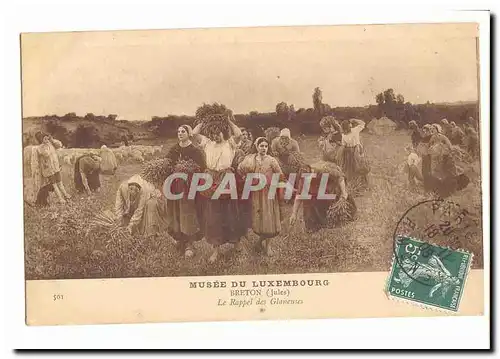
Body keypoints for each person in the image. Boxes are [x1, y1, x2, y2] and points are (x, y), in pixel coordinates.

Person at [192, 116, 246, 263]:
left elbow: (239, 134)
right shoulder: (207, 144)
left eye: (218, 133)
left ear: (224, 133)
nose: (215, 136)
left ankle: (236, 243)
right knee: (213, 214)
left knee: (231, 211)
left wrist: (228, 121)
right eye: (213, 133)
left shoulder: (230, 144)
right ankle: (216, 250)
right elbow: (194, 134)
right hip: (211, 177)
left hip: (226, 177)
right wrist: (205, 121)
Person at [238, 137, 284, 256]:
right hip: (255, 193)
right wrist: (246, 178)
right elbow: (240, 169)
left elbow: (280, 174)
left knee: (269, 219)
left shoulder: (272, 160)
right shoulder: (250, 159)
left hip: (268, 193)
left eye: (266, 146)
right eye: (261, 146)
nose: (264, 148)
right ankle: (259, 242)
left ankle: (268, 246)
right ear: (257, 146)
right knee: (259, 220)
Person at [165, 125, 207, 258]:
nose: (180, 133)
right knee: (176, 211)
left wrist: (190, 173)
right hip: (175, 186)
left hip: (189, 187)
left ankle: (190, 243)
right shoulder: (174, 149)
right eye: (178, 131)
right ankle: (180, 240)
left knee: (188, 213)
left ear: (189, 133)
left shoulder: (195, 150)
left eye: (183, 131)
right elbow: (167, 164)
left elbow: (202, 168)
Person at [289, 161, 356, 233]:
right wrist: (294, 214)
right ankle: (314, 224)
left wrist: (343, 193)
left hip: (330, 188)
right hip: (316, 194)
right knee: (309, 206)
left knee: (329, 212)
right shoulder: (303, 179)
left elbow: (340, 178)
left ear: (312, 172)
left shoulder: (324, 170)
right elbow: (299, 197)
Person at [31, 131, 71, 205]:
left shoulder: (50, 144)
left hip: (55, 166)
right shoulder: (40, 147)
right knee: (54, 184)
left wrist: (52, 140)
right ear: (41, 139)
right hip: (48, 169)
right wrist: (48, 145)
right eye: (45, 139)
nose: (47, 140)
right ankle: (60, 198)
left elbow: (59, 145)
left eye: (47, 139)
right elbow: (46, 154)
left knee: (60, 182)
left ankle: (66, 195)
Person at [340, 119, 369, 184]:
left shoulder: (352, 131)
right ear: (348, 125)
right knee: (354, 165)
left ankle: (360, 180)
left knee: (358, 165)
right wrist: (355, 120)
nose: (351, 125)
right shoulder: (354, 130)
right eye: (350, 124)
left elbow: (343, 145)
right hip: (352, 150)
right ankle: (357, 180)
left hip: (355, 150)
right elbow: (363, 123)